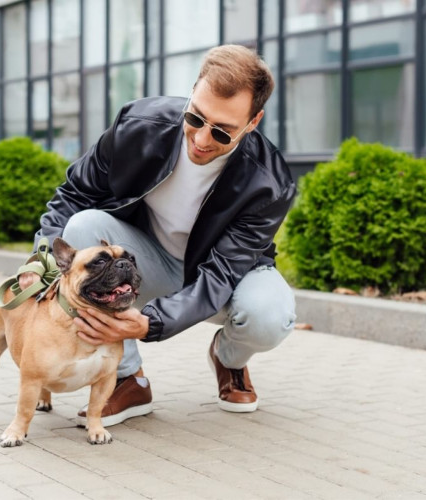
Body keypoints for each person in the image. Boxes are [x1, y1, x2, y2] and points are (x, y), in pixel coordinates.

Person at [20, 44, 296, 426]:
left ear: (253, 121)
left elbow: (220, 275)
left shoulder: (270, 183)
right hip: (148, 259)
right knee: (83, 226)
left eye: (222, 131)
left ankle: (228, 359)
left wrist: (152, 323)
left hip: (224, 276)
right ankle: (127, 378)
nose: (201, 140)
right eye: (196, 118)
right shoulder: (138, 125)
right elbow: (73, 195)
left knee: (270, 316)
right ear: (193, 90)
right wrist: (43, 263)